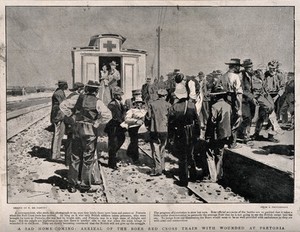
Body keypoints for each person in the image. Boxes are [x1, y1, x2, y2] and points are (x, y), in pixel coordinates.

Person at [67, 80, 112, 193]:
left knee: (75, 157)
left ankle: (72, 184)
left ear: (86, 89)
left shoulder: (78, 98)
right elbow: (108, 115)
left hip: (77, 129)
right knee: (88, 158)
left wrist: (72, 119)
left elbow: (63, 106)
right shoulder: (98, 102)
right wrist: (97, 122)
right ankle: (84, 185)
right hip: (90, 131)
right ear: (96, 91)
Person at [168, 81, 200, 187]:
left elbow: (171, 123)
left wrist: (171, 136)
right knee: (191, 155)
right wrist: (197, 134)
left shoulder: (175, 107)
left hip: (180, 133)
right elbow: (197, 121)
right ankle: (194, 176)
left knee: (182, 157)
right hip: (191, 132)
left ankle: (183, 180)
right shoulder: (192, 105)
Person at [204, 84, 231, 183]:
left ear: (216, 96)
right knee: (220, 153)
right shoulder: (228, 106)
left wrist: (207, 136)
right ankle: (219, 175)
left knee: (209, 153)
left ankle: (213, 176)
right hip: (225, 134)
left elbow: (211, 122)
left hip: (215, 134)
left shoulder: (214, 106)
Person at [251, 69, 281, 142]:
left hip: (275, 97)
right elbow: (258, 89)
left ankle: (270, 136)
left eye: (274, 68)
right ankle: (256, 133)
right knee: (261, 116)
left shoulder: (280, 76)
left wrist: (277, 96)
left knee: (272, 116)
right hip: (264, 97)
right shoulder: (263, 76)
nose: (272, 70)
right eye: (270, 67)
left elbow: (282, 87)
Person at [146, 89, 171, 176]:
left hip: (154, 129)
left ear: (158, 95)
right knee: (162, 148)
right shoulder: (168, 105)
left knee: (155, 148)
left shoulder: (151, 104)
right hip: (164, 129)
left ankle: (158, 168)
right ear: (165, 96)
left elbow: (148, 117)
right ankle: (163, 167)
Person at [220, 58, 243, 149]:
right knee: (236, 121)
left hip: (225, 99)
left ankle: (226, 141)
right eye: (238, 66)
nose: (239, 68)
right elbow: (238, 94)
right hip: (233, 99)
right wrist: (240, 108)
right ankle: (232, 143)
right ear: (234, 67)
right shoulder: (235, 76)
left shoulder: (223, 76)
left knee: (226, 120)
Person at [60, 82, 84, 166]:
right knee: (71, 142)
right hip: (72, 121)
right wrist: (71, 115)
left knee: (70, 141)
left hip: (69, 121)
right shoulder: (75, 97)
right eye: (82, 89)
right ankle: (69, 162)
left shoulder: (72, 95)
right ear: (79, 89)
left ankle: (68, 161)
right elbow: (63, 106)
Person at [105, 86, 127, 169]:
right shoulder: (112, 104)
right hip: (113, 127)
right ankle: (112, 163)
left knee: (121, 139)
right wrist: (121, 122)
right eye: (118, 95)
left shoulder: (120, 103)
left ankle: (113, 156)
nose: (120, 96)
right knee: (113, 144)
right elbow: (112, 117)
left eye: (120, 94)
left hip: (118, 126)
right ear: (115, 95)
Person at [122, 95, 148, 164]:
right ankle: (135, 158)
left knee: (135, 142)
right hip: (133, 128)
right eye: (137, 103)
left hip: (141, 128)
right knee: (134, 141)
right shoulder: (131, 110)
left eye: (140, 103)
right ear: (135, 104)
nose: (139, 104)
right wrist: (135, 121)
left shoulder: (144, 111)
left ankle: (129, 152)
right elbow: (126, 119)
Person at [239, 59, 257, 144]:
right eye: (249, 67)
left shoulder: (253, 75)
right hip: (243, 100)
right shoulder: (241, 75)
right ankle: (245, 136)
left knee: (251, 116)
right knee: (247, 117)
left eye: (251, 67)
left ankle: (243, 133)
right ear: (245, 68)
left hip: (251, 100)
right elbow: (242, 89)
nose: (251, 68)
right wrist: (251, 97)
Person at [50, 80, 68, 161]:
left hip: (58, 115)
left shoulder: (59, 92)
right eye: (66, 84)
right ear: (63, 85)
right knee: (58, 136)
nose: (67, 86)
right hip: (59, 116)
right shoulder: (59, 93)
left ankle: (56, 154)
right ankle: (55, 155)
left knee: (58, 135)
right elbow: (64, 104)